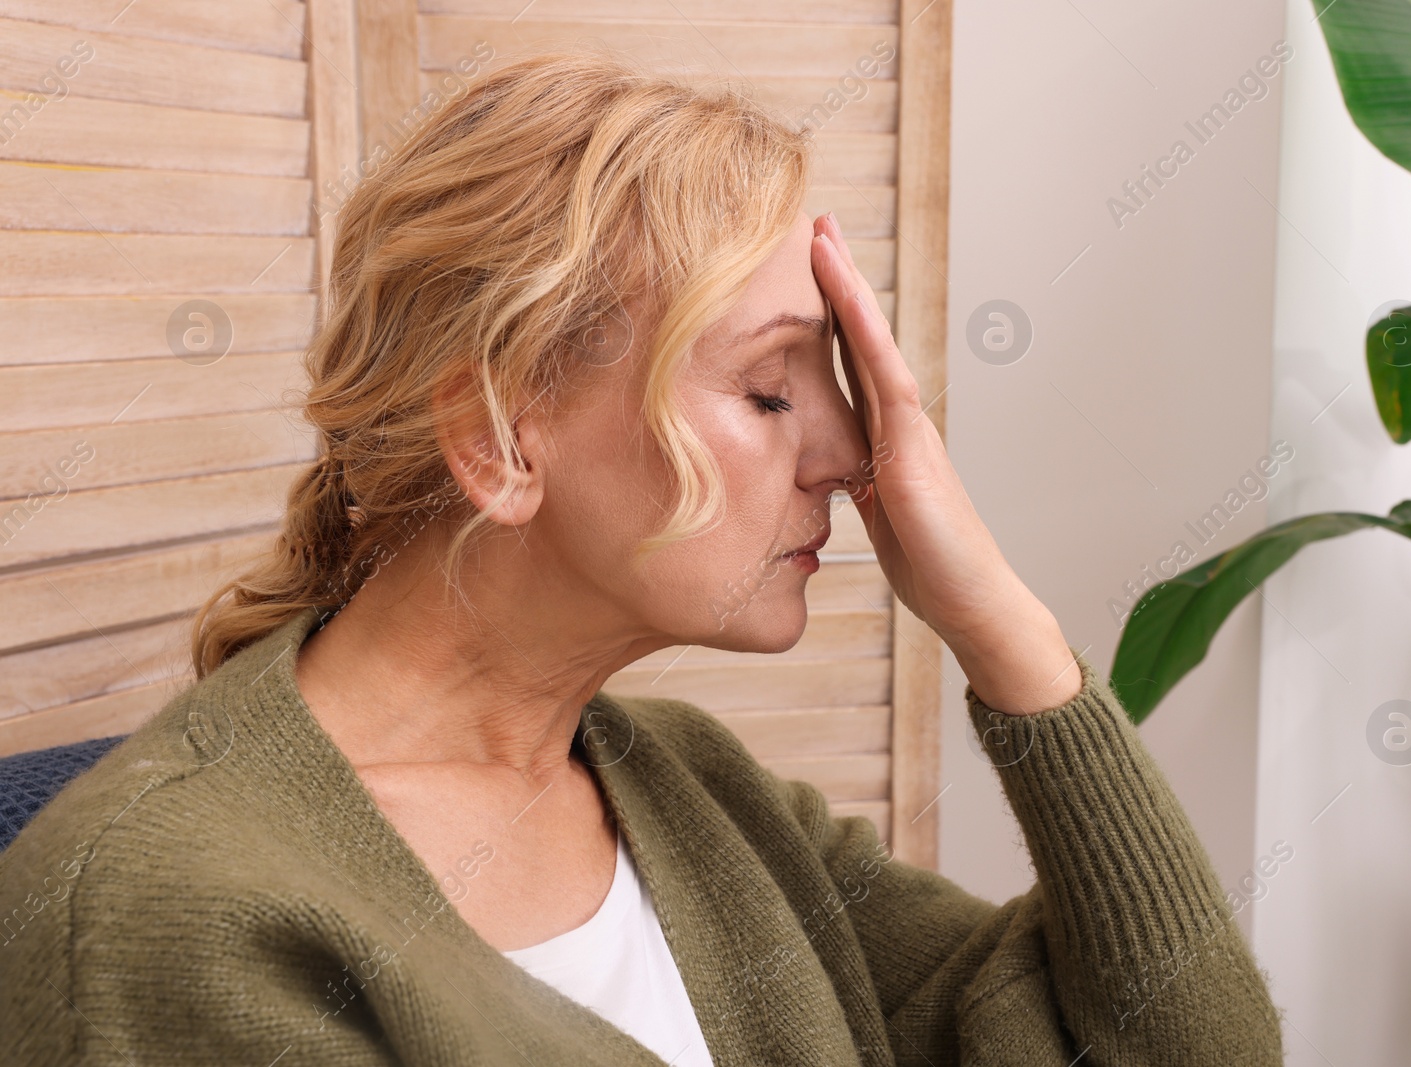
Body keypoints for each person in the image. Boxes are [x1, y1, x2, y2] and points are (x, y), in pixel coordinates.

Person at [0, 51, 1283, 1066]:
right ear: (497, 434)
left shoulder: (699, 797)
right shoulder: (162, 907)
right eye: (773, 389)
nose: (852, 449)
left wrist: (999, 625)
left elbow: (1193, 1047)